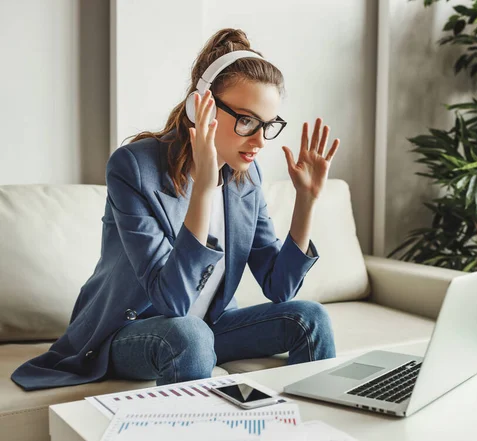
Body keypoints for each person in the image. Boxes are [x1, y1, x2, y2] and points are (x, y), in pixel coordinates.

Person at [11, 28, 341, 391]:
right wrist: (203, 188)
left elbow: (280, 288)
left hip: (204, 325)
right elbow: (172, 300)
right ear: (201, 107)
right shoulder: (134, 168)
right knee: (189, 335)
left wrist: (306, 202)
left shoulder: (246, 177)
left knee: (309, 318)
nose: (260, 141)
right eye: (247, 121)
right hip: (127, 331)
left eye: (268, 125)